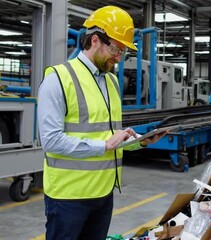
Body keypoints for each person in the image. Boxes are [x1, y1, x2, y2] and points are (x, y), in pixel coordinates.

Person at [37, 5, 167, 240]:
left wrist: (139, 142)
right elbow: (51, 141)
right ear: (95, 40)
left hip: (104, 194)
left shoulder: (111, 83)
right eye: (116, 49)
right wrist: (103, 146)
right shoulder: (58, 78)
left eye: (123, 52)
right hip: (69, 197)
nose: (118, 58)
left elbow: (108, 136)